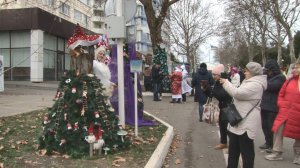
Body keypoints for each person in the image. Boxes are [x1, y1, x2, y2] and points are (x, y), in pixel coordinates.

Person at [220, 62, 267, 168]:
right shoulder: (248, 81)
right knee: (233, 152)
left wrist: (226, 83)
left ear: (252, 72)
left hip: (247, 123)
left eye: (246, 70)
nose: (244, 72)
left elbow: (238, 93)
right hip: (238, 120)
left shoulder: (256, 84)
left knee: (247, 153)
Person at [264, 61, 300, 164]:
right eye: (294, 68)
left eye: (297, 68)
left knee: (298, 135)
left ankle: (298, 155)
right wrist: (281, 104)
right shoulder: (289, 81)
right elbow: (281, 94)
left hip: (298, 113)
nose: (294, 70)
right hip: (285, 111)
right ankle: (277, 153)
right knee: (278, 130)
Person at [259, 59, 286, 153]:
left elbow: (270, 86)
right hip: (264, 105)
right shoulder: (267, 77)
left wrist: (262, 79)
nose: (267, 72)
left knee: (271, 126)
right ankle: (267, 142)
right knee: (264, 126)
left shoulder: (281, 78)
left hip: (273, 106)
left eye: (268, 70)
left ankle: (272, 145)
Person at [211, 64, 232, 150]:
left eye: (214, 75)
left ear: (219, 75)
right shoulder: (217, 82)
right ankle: (223, 143)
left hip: (228, 107)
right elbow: (213, 93)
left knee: (228, 127)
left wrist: (213, 92)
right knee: (222, 125)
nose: (213, 76)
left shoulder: (226, 81)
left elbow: (222, 95)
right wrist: (206, 89)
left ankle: (233, 146)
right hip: (222, 106)